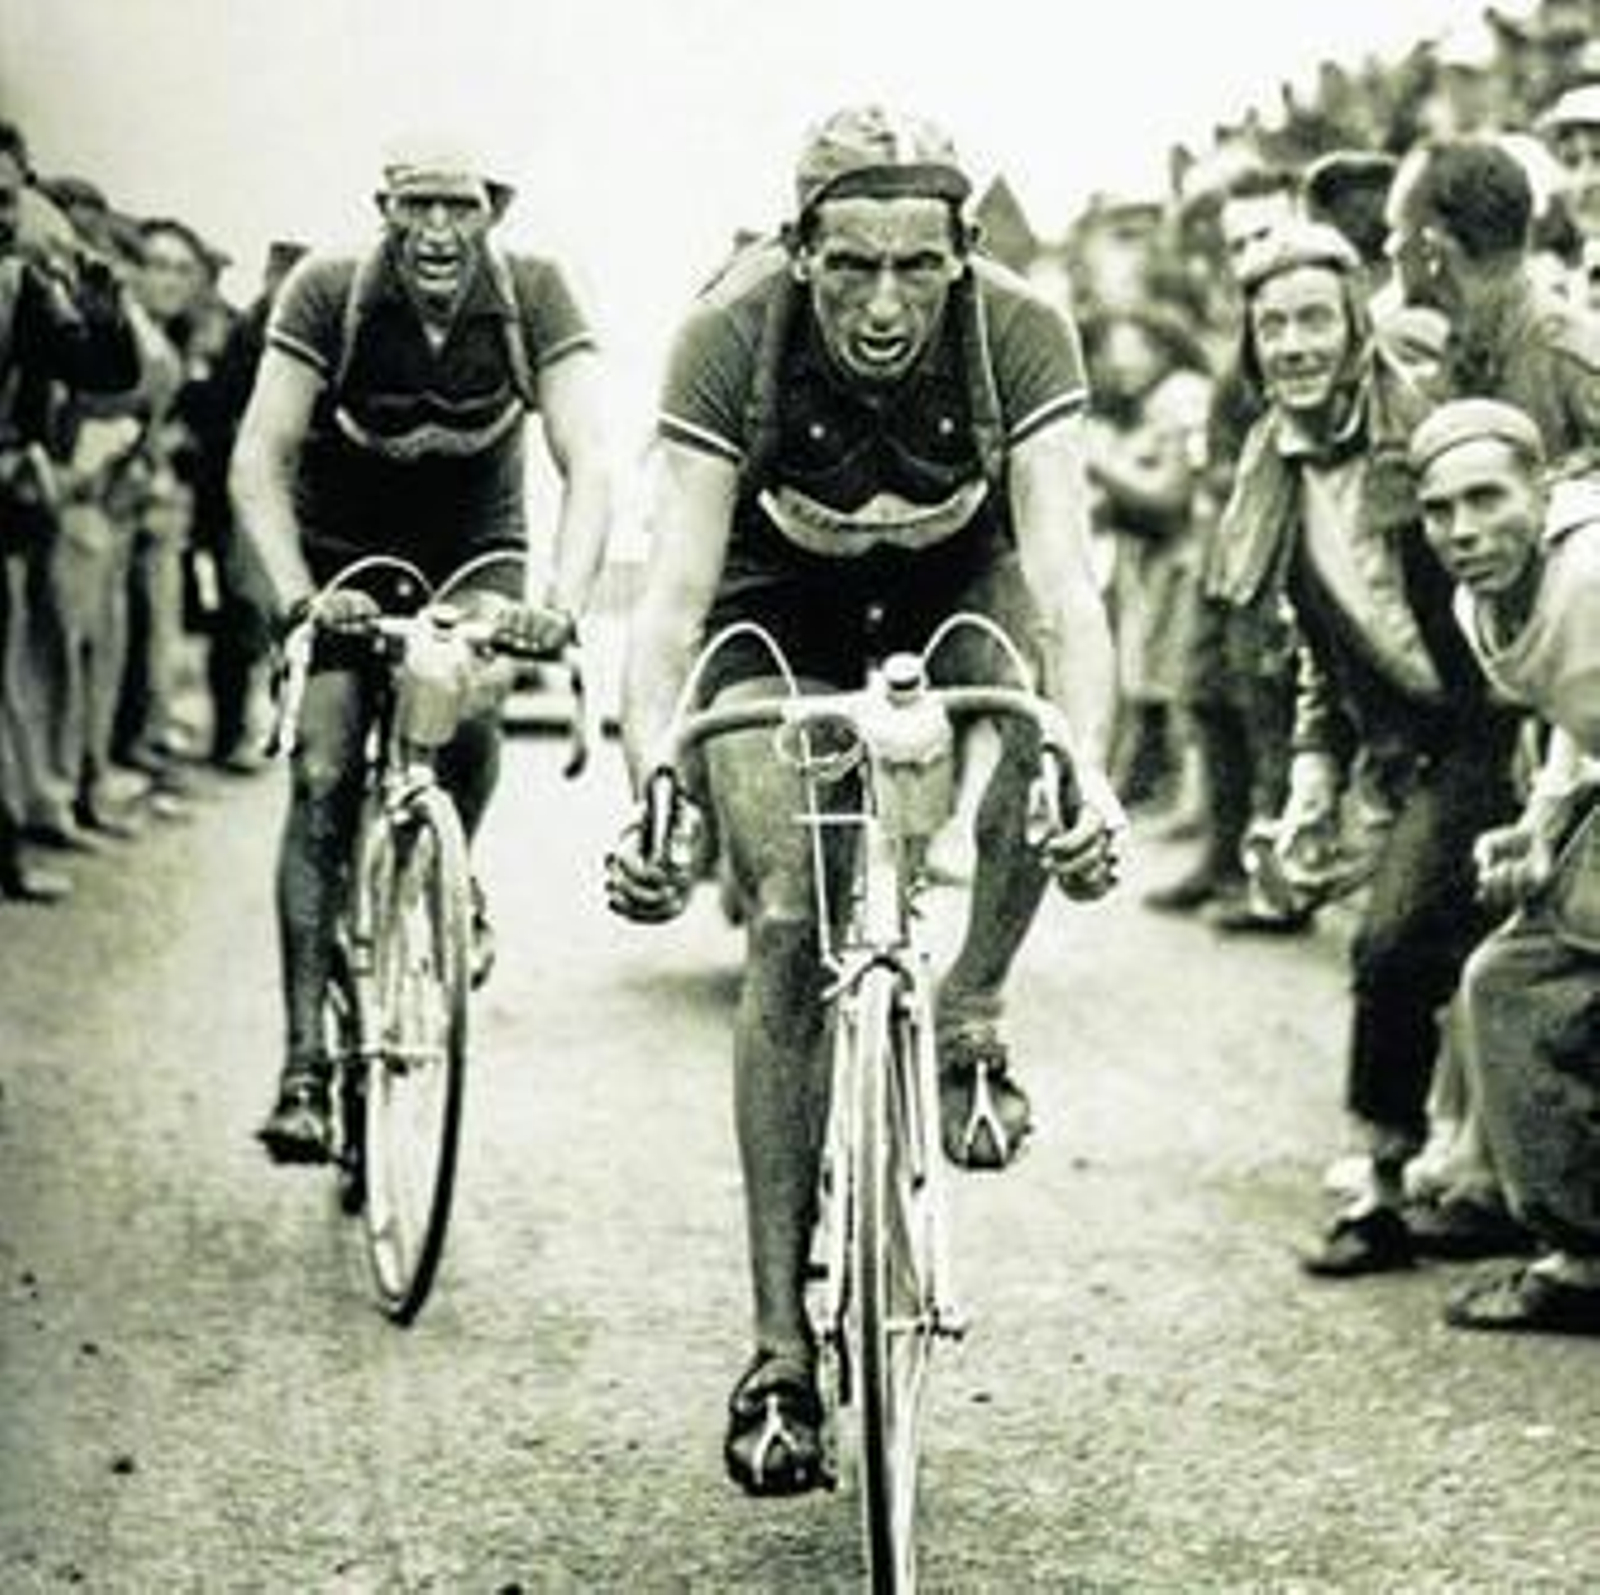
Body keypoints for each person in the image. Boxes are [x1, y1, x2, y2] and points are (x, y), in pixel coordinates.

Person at [605, 107, 1120, 1496]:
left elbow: (1070, 586)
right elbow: (668, 603)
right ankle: (779, 1347)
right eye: (848, 268)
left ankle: (971, 1009)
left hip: (964, 582)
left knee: (1040, 733)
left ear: (961, 253)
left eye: (914, 265)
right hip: (779, 604)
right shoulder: (727, 337)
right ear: (798, 251)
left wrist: (1098, 772)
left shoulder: (1019, 329)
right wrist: (653, 773)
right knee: (789, 917)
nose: (882, 303)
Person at [231, 138, 610, 1163]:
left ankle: (455, 867)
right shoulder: (326, 289)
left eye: (462, 206)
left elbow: (588, 462)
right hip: (341, 548)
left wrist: (560, 604)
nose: (439, 229)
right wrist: (299, 600)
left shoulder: (533, 293)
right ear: (385, 208)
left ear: (493, 211)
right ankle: (304, 1065)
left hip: (474, 544)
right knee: (319, 769)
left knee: (472, 695)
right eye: (418, 206)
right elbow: (258, 458)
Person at [1212, 222, 1525, 1277]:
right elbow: (1321, 650)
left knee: (1400, 944)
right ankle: (1444, 1175)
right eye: (1271, 326)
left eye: (1312, 319)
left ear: (1354, 326)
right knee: (1421, 948)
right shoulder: (1273, 471)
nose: (1293, 345)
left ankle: (1394, 1182)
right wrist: (1311, 779)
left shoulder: (1425, 432)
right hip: (1404, 737)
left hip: (1503, 717)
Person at [1410, 398, 1600, 1334]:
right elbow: (1581, 706)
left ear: (1544, 489)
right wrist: (1540, 821)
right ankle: (1581, 1249)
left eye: (1488, 499)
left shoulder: (1593, 568)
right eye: (1440, 511)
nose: (1463, 531)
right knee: (1511, 981)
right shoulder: (1478, 601)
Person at [0, 128, 140, 902]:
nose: (1, 216)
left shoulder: (19, 288)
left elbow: (101, 371)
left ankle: (9, 845)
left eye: (8, 199)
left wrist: (106, 313)